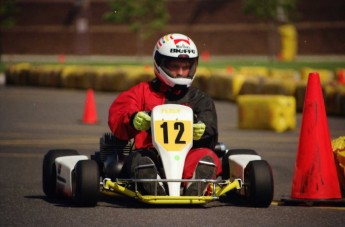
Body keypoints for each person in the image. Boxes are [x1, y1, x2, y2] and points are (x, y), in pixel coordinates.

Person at [108, 33, 222, 196]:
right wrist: (133, 119)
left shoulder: (200, 99)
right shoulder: (142, 92)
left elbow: (210, 128)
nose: (181, 72)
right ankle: (153, 181)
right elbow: (119, 112)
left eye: (186, 66)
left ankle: (194, 183)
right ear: (160, 63)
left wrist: (202, 129)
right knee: (139, 159)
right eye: (175, 66)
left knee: (207, 156)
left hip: (186, 156)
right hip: (150, 154)